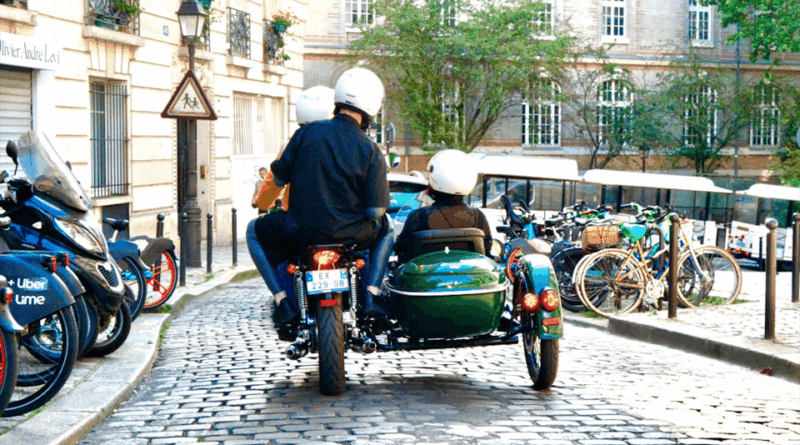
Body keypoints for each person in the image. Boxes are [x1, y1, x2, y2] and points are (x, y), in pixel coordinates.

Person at [246, 68, 394, 333]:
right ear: (371, 107)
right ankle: (370, 293)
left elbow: (278, 179)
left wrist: (263, 204)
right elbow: (375, 211)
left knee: (252, 232)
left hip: (300, 231)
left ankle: (283, 302)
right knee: (388, 227)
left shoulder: (306, 134)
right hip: (352, 235)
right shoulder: (371, 149)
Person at [394, 149, 492, 263]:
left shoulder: (418, 216)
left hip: (427, 279)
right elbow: (487, 249)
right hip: (469, 278)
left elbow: (400, 248)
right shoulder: (478, 217)